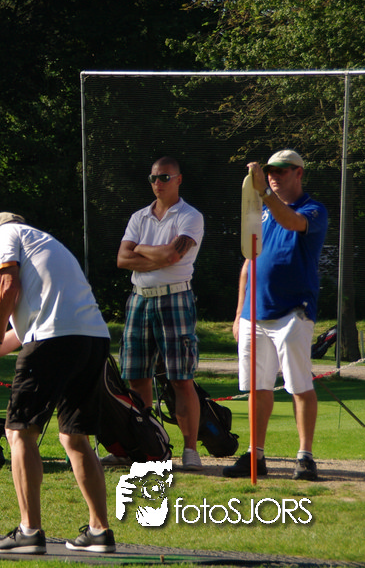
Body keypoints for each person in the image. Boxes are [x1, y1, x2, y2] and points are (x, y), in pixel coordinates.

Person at [0, 212, 115, 554]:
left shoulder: (6, 235)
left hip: (54, 339)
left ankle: (29, 531)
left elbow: (6, 286)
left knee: (19, 432)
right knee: (74, 436)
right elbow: (25, 331)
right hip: (92, 340)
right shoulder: (46, 246)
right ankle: (99, 531)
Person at [227, 150, 327, 481]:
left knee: (299, 385)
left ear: (299, 173)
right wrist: (239, 312)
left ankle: (305, 456)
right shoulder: (263, 212)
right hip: (254, 314)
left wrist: (266, 194)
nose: (274, 176)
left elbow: (292, 222)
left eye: (282, 171)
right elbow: (249, 261)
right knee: (257, 388)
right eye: (270, 171)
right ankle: (255, 455)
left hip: (293, 312)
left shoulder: (313, 210)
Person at [115, 157, 205, 470]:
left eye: (164, 177)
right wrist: (157, 255)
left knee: (181, 378)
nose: (158, 183)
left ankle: (190, 450)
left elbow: (172, 255)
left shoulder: (190, 216)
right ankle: (143, 447)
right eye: (153, 178)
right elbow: (122, 259)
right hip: (139, 299)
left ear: (179, 179)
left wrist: (140, 248)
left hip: (175, 297)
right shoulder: (139, 216)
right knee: (136, 376)